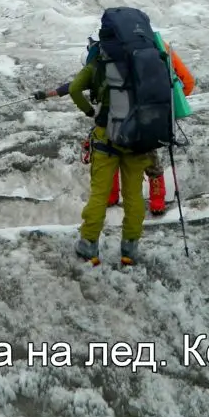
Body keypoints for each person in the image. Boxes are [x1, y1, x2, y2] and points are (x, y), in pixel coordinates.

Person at [34, 38, 194, 217]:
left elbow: (72, 87)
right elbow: (71, 87)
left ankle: (111, 197)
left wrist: (52, 97)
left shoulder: (101, 68)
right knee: (149, 159)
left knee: (110, 157)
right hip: (142, 120)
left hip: (114, 122)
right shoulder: (130, 64)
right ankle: (157, 201)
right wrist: (46, 94)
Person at [65, 39, 153, 266]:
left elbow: (74, 89)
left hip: (106, 135)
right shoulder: (140, 60)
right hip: (137, 135)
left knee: (100, 194)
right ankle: (130, 249)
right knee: (134, 195)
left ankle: (89, 245)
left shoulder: (96, 64)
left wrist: (89, 111)